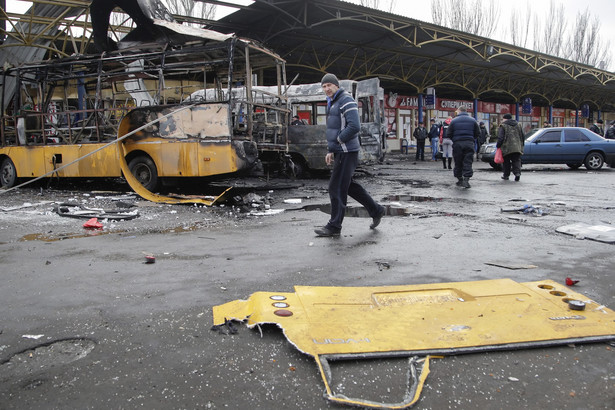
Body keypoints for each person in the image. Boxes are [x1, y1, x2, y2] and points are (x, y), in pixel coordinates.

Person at [314, 73, 385, 237]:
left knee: (336, 187)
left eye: (329, 85)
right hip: (340, 150)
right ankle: (376, 210)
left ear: (336, 85)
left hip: (347, 150)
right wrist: (331, 149)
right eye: (324, 86)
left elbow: (354, 126)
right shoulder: (332, 102)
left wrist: (339, 140)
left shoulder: (346, 100)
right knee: (348, 186)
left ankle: (334, 226)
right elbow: (334, 128)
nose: (327, 89)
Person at [447, 106, 480, 188]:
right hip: (469, 143)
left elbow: (448, 133)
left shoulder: (453, 121)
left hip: (457, 143)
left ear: (459, 111)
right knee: (468, 161)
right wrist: (471, 138)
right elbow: (478, 132)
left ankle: (459, 179)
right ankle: (466, 179)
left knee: (458, 161)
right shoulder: (473, 120)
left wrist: (455, 139)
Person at [497, 113, 525, 182]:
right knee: (516, 160)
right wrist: (521, 145)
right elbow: (523, 136)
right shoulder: (518, 125)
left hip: (506, 147)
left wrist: (498, 145)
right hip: (517, 147)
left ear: (505, 118)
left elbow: (501, 137)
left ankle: (506, 175)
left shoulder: (503, 126)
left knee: (506, 162)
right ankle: (517, 173)